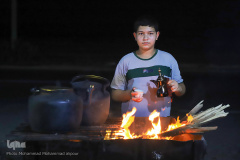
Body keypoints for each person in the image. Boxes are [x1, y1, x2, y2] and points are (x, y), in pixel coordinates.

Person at [111, 15, 186, 117]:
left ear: (157, 35)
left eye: (150, 33)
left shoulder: (168, 59)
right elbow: (115, 94)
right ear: (135, 36)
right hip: (132, 124)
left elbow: (182, 89)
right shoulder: (126, 61)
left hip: (160, 123)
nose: (145, 38)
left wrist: (178, 88)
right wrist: (129, 94)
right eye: (141, 34)